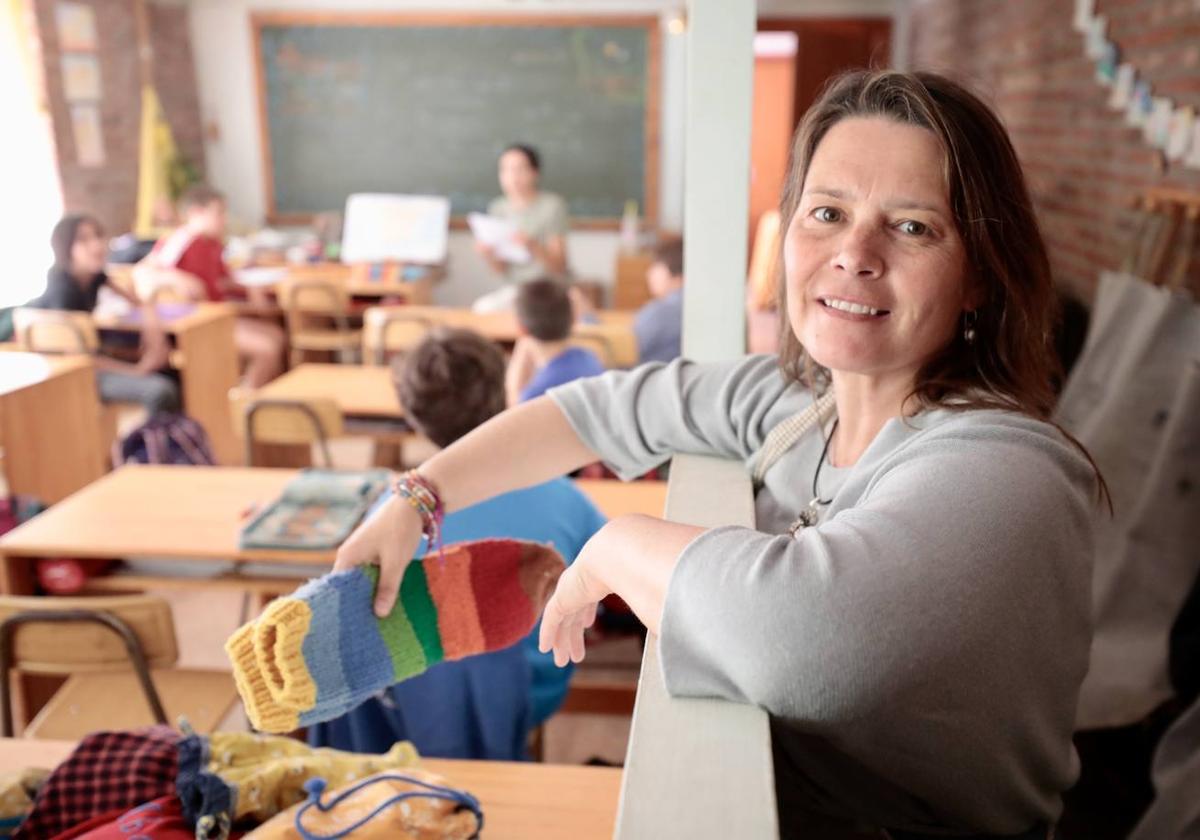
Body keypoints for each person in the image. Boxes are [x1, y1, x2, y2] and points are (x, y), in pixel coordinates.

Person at [333, 70, 1108, 838]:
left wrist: (619, 543)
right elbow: (592, 411)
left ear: (979, 274)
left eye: (913, 227)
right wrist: (418, 497)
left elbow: (802, 643)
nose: (855, 253)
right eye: (827, 212)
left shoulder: (1011, 472)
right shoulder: (795, 405)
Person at [309, 327, 606, 760]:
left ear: (412, 416)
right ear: (505, 394)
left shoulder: (385, 522)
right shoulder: (566, 497)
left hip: (416, 695)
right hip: (531, 685)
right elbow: (604, 576)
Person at [134, 185, 285, 387]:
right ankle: (244, 403)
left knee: (277, 335)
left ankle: (251, 392)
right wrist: (176, 277)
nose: (224, 219)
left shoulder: (213, 243)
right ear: (196, 213)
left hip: (220, 315)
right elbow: (142, 272)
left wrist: (249, 287)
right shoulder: (181, 240)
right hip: (199, 324)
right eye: (219, 213)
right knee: (268, 347)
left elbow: (223, 279)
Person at [30, 214, 179, 415]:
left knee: (172, 374)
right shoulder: (62, 290)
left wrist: (153, 333)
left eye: (98, 236)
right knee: (161, 390)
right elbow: (79, 358)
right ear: (66, 248)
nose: (96, 245)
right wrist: (137, 370)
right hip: (69, 372)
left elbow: (140, 303)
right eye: (83, 240)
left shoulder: (96, 276)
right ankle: (146, 444)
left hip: (88, 359)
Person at [472, 144, 570, 313]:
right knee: (482, 310)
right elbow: (500, 270)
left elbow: (559, 267)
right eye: (506, 170)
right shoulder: (498, 208)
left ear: (534, 173)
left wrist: (531, 245)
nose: (513, 177)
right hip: (515, 291)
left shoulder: (552, 206)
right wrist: (488, 255)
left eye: (519, 169)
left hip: (546, 290)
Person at [505, 278, 604, 406]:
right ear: (573, 319)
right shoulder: (591, 359)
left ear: (521, 329)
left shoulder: (533, 396)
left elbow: (512, 416)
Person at [632, 238, 684, 364]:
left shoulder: (662, 312)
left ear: (678, 275)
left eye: (656, 266)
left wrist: (588, 317)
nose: (649, 273)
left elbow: (624, 348)